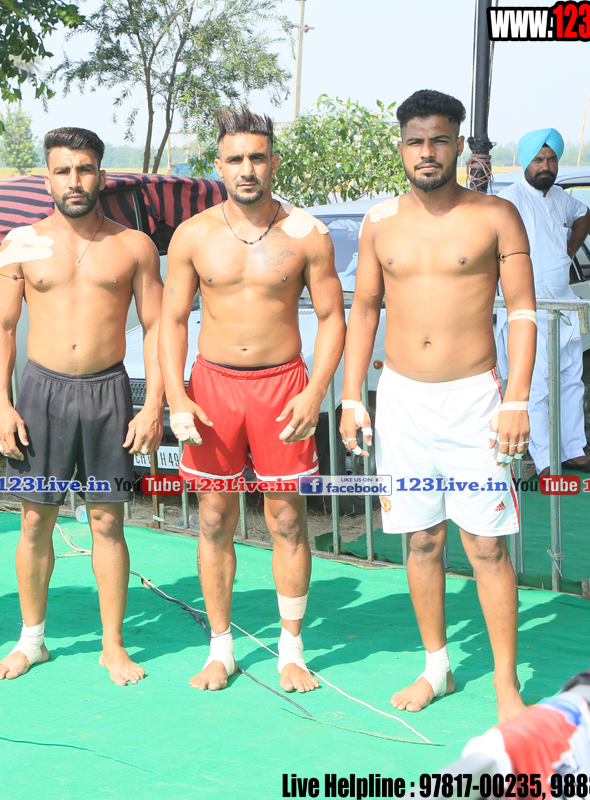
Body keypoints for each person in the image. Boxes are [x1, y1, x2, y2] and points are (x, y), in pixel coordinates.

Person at [341, 89, 534, 723]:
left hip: (475, 400)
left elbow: (523, 311)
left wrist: (516, 399)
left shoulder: (496, 215)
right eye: (416, 141)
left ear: (457, 145)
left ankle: (506, 684)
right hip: (401, 400)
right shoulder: (378, 222)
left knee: (486, 546)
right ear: (401, 147)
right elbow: (364, 310)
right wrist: (351, 395)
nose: (427, 152)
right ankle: (437, 668)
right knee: (421, 539)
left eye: (439, 140)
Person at [161, 106, 345, 694]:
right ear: (218, 165)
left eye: (258, 157)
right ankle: (221, 649)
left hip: (283, 386)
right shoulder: (193, 235)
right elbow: (171, 321)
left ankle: (292, 650)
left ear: (274, 162)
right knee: (215, 517)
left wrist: (315, 391)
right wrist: (176, 396)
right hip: (213, 387)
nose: (247, 169)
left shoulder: (307, 234)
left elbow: (333, 317)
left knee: (287, 518)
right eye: (235, 158)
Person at [0, 127, 164, 685]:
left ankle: (113, 645)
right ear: (48, 179)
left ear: (101, 176)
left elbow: (158, 328)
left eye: (84, 169)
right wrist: (1, 405)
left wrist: (153, 406)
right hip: (41, 394)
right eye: (63, 170)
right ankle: (32, 640)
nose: (74, 180)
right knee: (35, 520)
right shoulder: (22, 244)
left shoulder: (134, 246)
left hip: (109, 393)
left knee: (108, 521)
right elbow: (2, 328)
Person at [495, 129, 590, 476]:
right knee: (536, 383)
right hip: (528, 308)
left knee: (571, 379)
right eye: (539, 159)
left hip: (564, 304)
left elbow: (584, 214)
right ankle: (545, 461)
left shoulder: (560, 197)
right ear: (526, 161)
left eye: (552, 159)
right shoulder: (509, 201)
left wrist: (571, 248)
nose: (546, 166)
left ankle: (573, 451)